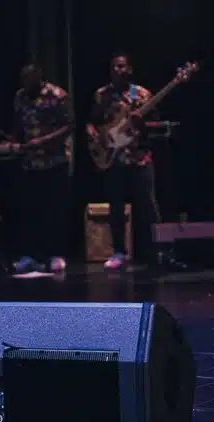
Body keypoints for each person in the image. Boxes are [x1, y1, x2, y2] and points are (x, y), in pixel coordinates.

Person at [87, 53, 163, 269]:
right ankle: (119, 251)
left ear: (130, 69)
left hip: (139, 156)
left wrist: (142, 124)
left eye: (122, 67)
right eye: (114, 67)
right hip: (113, 158)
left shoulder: (142, 94)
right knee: (116, 206)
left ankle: (154, 250)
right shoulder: (102, 95)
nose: (118, 70)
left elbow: (156, 126)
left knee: (148, 205)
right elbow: (92, 123)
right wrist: (95, 136)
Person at [7, 64, 73, 275]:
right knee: (30, 211)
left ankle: (55, 255)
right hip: (30, 163)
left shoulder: (58, 95)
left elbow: (69, 125)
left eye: (29, 82)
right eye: (23, 82)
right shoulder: (20, 97)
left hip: (54, 162)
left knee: (53, 211)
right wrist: (15, 142)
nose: (26, 86)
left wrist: (44, 141)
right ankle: (31, 256)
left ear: (39, 79)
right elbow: (19, 123)